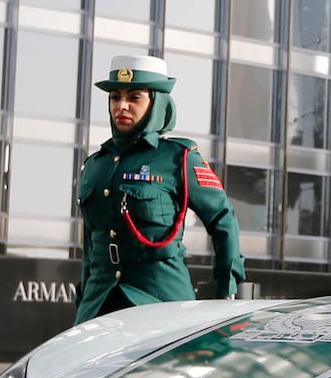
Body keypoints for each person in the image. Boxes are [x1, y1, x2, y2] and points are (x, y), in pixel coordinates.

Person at [76, 55, 244, 323]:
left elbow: (223, 220)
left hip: (162, 302)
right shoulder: (95, 166)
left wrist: (226, 291)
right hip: (98, 305)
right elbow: (90, 245)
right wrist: (84, 299)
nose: (122, 106)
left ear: (156, 102)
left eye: (134, 98)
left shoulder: (179, 158)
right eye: (115, 97)